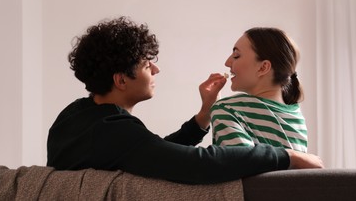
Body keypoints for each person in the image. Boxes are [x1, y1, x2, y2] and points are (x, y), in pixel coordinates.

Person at [47, 17, 323, 185]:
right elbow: (197, 164)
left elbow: (152, 152)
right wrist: (287, 156)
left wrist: (203, 115)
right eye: (147, 65)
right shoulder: (114, 131)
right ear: (121, 80)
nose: (156, 70)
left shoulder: (76, 116)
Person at [211, 27, 308, 152]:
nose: (227, 62)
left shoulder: (226, 109)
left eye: (236, 56)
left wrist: (214, 107)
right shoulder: (296, 116)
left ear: (263, 68)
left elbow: (242, 164)